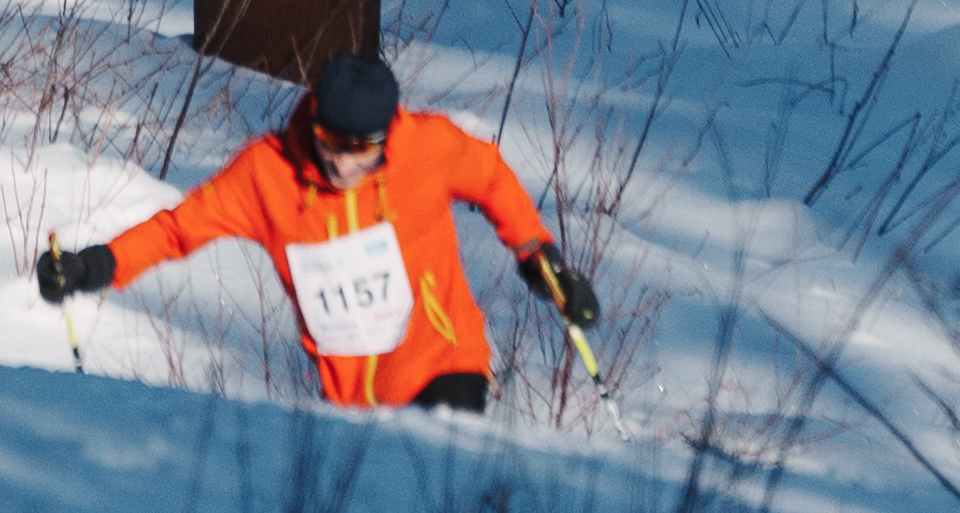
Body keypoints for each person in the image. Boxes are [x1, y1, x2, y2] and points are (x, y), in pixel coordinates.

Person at [39, 47, 598, 414]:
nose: (344, 164)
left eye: (363, 149)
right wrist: (92, 266)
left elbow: (493, 178)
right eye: (332, 142)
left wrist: (536, 255)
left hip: (444, 365)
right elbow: (178, 230)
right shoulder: (268, 174)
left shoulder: (427, 147)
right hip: (349, 401)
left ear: (387, 134)